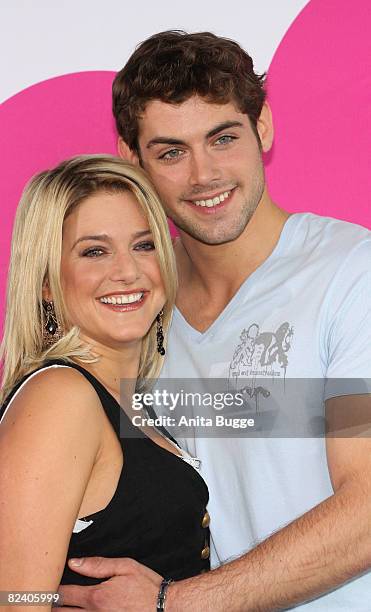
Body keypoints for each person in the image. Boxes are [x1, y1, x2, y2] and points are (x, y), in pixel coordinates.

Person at [58, 31, 371, 611]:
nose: (203, 175)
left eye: (223, 138)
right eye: (171, 151)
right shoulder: (132, 303)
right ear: (134, 159)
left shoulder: (351, 273)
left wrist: (174, 603)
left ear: (264, 128)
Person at [0, 155, 211, 611]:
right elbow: (14, 603)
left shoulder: (127, 402)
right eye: (94, 251)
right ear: (46, 283)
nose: (127, 271)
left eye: (144, 245)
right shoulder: (60, 398)